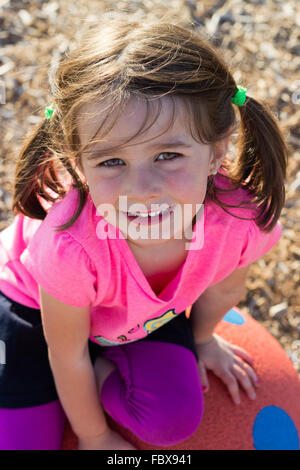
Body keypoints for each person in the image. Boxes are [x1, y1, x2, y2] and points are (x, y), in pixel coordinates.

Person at [0, 13, 287, 450]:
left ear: (218, 148)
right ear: (78, 164)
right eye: (111, 162)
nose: (143, 189)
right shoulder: (69, 246)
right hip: (33, 313)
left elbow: (224, 289)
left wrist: (204, 340)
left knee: (171, 421)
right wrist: (94, 436)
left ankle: (103, 364)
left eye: (168, 154)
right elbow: (65, 350)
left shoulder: (238, 219)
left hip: (129, 320)